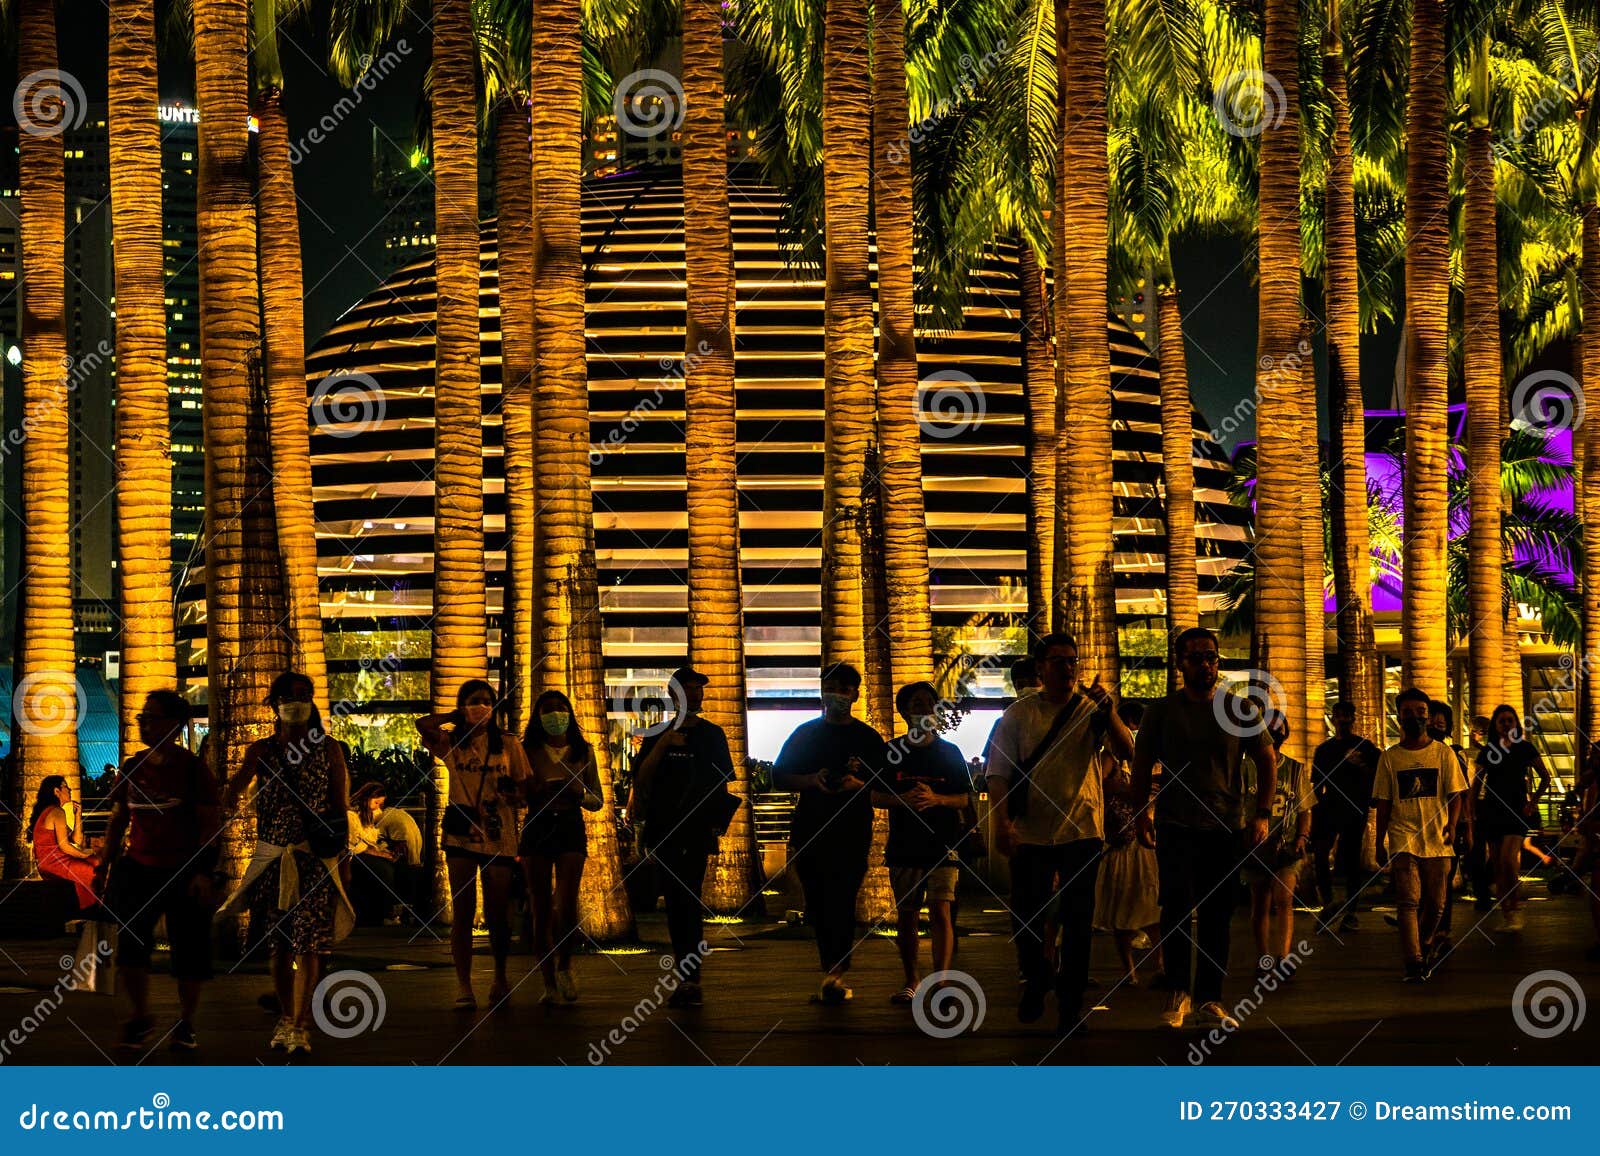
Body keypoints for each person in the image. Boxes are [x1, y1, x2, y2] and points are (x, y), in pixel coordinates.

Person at [1130, 626, 1276, 1031]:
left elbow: (1267, 758)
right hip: (1176, 824)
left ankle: (1210, 997)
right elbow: (1142, 766)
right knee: (1175, 909)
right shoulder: (1160, 712)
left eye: (1211, 657)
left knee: (1218, 914)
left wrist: (1261, 813)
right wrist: (1141, 812)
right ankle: (1179, 991)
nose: (1206, 664)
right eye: (1196, 657)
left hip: (1225, 827)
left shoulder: (1238, 708)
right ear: (1180, 662)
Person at [987, 633, 1134, 1034]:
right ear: (1040, 668)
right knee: (1026, 915)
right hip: (1032, 831)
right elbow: (998, 773)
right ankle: (1037, 978)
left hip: (1083, 830)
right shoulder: (1019, 715)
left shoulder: (1091, 710)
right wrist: (1001, 823)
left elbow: (1127, 752)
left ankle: (1070, 1005)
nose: (1068, 668)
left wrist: (1111, 712)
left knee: (1078, 920)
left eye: (1073, 661)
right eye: (1058, 661)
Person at [222, 672, 355, 1054]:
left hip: (314, 859)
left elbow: (337, 807)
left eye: (303, 696)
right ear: (275, 705)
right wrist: (230, 794)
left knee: (309, 945)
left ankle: (300, 1023)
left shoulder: (330, 750)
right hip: (276, 861)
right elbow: (235, 790)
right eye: (288, 696)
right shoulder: (261, 751)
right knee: (280, 947)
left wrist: (342, 862)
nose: (296, 702)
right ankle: (286, 1016)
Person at [94, 689, 221, 1052]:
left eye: (151, 718)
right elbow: (119, 818)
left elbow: (209, 824)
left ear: (174, 724)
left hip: (183, 869)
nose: (144, 724)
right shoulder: (133, 767)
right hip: (138, 868)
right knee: (131, 948)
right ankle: (140, 1018)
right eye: (141, 718)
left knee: (189, 953)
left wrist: (202, 872)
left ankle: (186, 1022)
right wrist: (105, 861)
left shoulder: (193, 770)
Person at [773, 662, 887, 1005]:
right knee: (818, 901)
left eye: (842, 688)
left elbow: (884, 784)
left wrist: (859, 784)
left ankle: (837, 972)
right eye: (829, 688)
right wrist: (812, 780)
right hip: (810, 828)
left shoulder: (867, 738)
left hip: (852, 831)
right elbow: (779, 776)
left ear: (854, 693)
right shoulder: (805, 733)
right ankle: (831, 968)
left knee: (844, 898)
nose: (835, 695)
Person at [418, 680, 534, 1010]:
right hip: (461, 833)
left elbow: (527, 789)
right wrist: (456, 715)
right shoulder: (453, 742)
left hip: (499, 833)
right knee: (463, 911)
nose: (481, 707)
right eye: (474, 701)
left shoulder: (508, 744)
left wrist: (515, 795)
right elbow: (423, 725)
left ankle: (499, 976)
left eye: (486, 702)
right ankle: (464, 985)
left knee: (498, 911)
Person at [634, 667, 736, 1009]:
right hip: (664, 829)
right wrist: (664, 743)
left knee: (689, 900)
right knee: (676, 903)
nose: (695, 695)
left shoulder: (712, 734)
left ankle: (691, 977)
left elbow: (722, 782)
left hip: (696, 830)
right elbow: (642, 781)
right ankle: (686, 973)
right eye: (688, 689)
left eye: (698, 690)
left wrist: (715, 826)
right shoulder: (656, 734)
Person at [872, 681, 973, 1004]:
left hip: (944, 844)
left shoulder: (950, 752)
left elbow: (963, 799)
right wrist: (902, 800)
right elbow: (873, 795)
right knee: (908, 914)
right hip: (904, 845)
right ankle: (911, 980)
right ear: (903, 711)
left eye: (928, 703)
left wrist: (936, 799)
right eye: (916, 704)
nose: (923, 709)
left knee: (942, 910)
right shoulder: (891, 752)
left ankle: (942, 980)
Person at [1374, 687, 1468, 981]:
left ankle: (1425, 941)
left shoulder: (1444, 754)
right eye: (1408, 713)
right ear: (1399, 717)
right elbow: (1384, 802)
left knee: (1437, 904)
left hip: (1438, 840)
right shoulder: (1390, 758)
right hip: (1404, 837)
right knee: (1408, 901)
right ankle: (1413, 961)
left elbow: (1456, 795)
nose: (1414, 717)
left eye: (1420, 712)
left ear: (1428, 716)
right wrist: (1379, 841)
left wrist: (1453, 825)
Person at [519, 688, 601, 1006]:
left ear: (570, 714)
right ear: (538, 718)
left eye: (561, 708)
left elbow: (598, 799)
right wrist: (533, 790)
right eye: (548, 709)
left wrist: (578, 795)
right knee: (540, 906)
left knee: (567, 902)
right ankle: (548, 980)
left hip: (569, 825)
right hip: (538, 826)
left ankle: (566, 965)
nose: (555, 715)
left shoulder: (584, 751)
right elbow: (516, 792)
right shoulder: (526, 751)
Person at [1092, 700, 1162, 987]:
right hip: (1123, 840)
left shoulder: (1149, 756)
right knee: (1123, 908)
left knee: (1152, 906)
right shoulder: (1109, 756)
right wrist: (1131, 787)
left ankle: (1158, 965)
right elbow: (1101, 786)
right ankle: (1130, 971)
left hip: (1142, 839)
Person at [1244, 710, 1314, 978]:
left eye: (1279, 727)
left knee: (1284, 899)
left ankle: (1283, 956)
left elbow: (1305, 807)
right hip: (1255, 846)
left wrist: (1302, 837)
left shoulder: (1295, 769)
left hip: (1286, 845)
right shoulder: (1246, 767)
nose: (1275, 732)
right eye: (1268, 727)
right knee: (1260, 903)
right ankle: (1263, 958)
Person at [1472, 704, 1552, 933]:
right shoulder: (1488, 751)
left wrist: (1533, 801)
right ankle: (1507, 910)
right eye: (1502, 721)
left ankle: (1514, 907)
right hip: (1492, 809)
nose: (1506, 724)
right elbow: (1477, 783)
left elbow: (1545, 777)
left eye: (1510, 720)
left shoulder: (1525, 748)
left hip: (1517, 809)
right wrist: (1472, 810)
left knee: (1508, 859)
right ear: (1495, 726)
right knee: (1498, 863)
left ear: (1516, 724)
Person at [1310, 699, 1380, 932]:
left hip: (1354, 808)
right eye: (1339, 715)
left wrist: (1361, 767)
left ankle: (1350, 911)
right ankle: (1329, 902)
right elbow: (1316, 783)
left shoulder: (1365, 747)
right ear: (1333, 718)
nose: (1343, 720)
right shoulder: (1324, 750)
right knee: (1320, 854)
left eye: (1347, 715)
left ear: (1353, 718)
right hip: (1328, 807)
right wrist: (1314, 808)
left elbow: (1380, 774)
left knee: (1351, 860)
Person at [29, 775, 99, 909]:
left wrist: (78, 816)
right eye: (65, 786)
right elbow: (65, 846)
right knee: (95, 870)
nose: (70, 789)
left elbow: (76, 840)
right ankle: (95, 907)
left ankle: (92, 905)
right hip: (55, 863)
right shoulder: (56, 811)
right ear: (57, 791)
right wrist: (85, 856)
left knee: (96, 862)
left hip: (54, 861)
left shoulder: (53, 811)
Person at [347, 782, 406, 925]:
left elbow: (373, 838)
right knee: (383, 869)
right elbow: (354, 845)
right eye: (376, 802)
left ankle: (393, 908)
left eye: (380, 804)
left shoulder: (370, 815)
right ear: (367, 798)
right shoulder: (351, 815)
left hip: (366, 852)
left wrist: (385, 851)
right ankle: (385, 912)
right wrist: (380, 854)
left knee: (398, 866)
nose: (377, 807)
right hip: (353, 854)